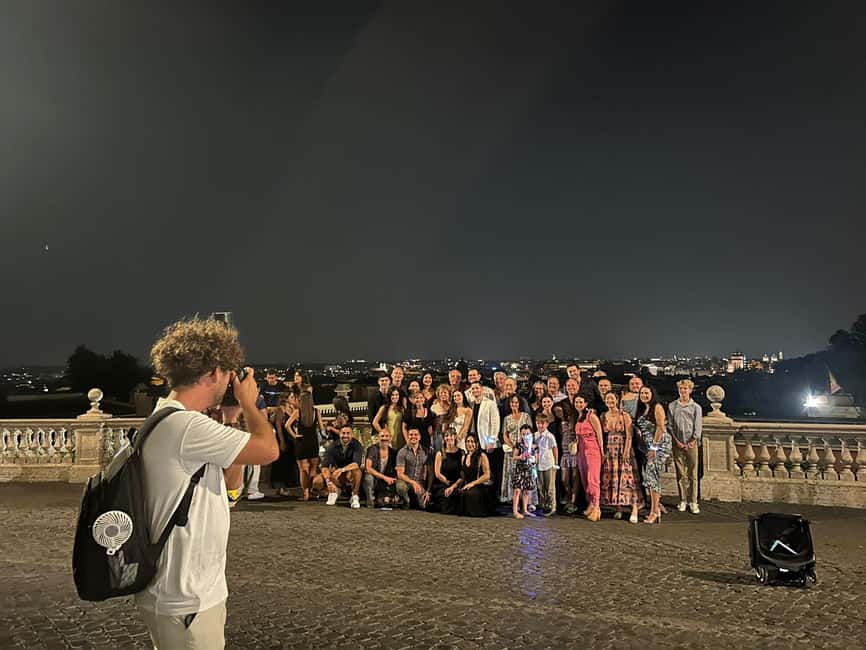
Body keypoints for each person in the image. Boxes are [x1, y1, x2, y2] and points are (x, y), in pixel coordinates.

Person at [139, 318, 278, 648]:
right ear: (216, 372)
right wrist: (249, 403)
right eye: (229, 373)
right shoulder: (186, 427)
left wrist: (230, 423)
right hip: (187, 597)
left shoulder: (171, 418)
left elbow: (229, 491)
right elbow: (269, 449)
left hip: (184, 593)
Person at [600, 392, 643, 523]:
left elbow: (629, 435)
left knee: (628, 478)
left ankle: (634, 507)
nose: (610, 401)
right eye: (608, 399)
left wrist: (626, 451)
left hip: (622, 447)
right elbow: (603, 435)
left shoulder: (624, 415)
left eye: (612, 398)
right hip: (610, 448)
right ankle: (617, 507)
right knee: (613, 477)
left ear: (617, 400)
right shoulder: (603, 416)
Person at [635, 386, 671, 524]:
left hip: (658, 445)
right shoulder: (643, 408)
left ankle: (654, 511)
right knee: (651, 476)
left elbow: (660, 428)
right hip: (648, 446)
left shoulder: (657, 407)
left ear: (652, 394)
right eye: (642, 393)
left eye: (646, 393)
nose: (644, 395)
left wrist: (654, 447)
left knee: (652, 476)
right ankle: (656, 508)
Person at [668, 379, 703, 514]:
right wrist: (677, 441)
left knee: (693, 474)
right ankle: (683, 499)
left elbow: (698, 425)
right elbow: (670, 425)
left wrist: (693, 440)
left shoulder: (696, 407)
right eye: (681, 388)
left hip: (692, 443)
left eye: (685, 388)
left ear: (690, 390)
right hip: (677, 443)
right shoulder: (672, 406)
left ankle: (693, 501)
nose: (683, 391)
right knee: (680, 473)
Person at [467, 381, 502, 500]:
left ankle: (493, 496)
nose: (475, 390)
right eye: (473, 389)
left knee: (490, 471)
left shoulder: (490, 403)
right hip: (475, 442)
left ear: (481, 390)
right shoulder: (471, 404)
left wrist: (491, 441)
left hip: (487, 442)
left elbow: (495, 423)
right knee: (479, 470)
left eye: (477, 388)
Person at [287, 390, 323, 501]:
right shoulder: (316, 411)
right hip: (313, 442)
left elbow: (287, 425)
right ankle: (313, 490)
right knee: (313, 468)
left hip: (301, 442)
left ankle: (305, 493)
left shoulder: (298, 412)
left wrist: (294, 435)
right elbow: (322, 428)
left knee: (302, 469)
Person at [316, 424, 363, 508]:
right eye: (343, 433)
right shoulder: (332, 446)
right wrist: (328, 482)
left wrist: (342, 470)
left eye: (348, 433)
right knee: (317, 481)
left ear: (352, 435)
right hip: (335, 475)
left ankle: (354, 496)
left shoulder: (357, 445)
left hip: (348, 473)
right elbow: (324, 466)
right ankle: (334, 492)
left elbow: (356, 464)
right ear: (339, 434)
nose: (345, 435)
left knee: (357, 472)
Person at [574, 395, 604, 521]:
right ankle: (591, 503)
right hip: (581, 451)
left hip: (592, 450)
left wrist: (602, 452)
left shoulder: (592, 416)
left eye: (581, 402)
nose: (579, 404)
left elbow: (599, 434)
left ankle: (597, 507)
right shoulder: (579, 418)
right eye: (576, 402)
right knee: (585, 479)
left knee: (593, 480)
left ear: (586, 403)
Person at [500, 394, 533, 503]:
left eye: (516, 402)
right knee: (512, 475)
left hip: (524, 450)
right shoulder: (507, 418)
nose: (514, 404)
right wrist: (512, 446)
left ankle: (526, 501)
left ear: (520, 404)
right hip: (511, 451)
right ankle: (512, 500)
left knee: (525, 475)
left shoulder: (525, 416)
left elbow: (530, 432)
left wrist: (524, 446)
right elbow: (505, 434)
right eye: (512, 402)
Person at [430, 427, 464, 514]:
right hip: (443, 483)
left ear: (455, 437)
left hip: (457, 483)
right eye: (446, 436)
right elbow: (437, 474)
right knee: (447, 495)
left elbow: (463, 474)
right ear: (444, 438)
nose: (449, 438)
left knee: (457, 494)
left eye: (451, 435)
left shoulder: (461, 453)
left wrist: (454, 485)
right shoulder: (440, 453)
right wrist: (448, 483)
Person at [271, 391, 299, 497]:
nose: (293, 398)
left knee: (290, 462)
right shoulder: (280, 410)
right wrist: (282, 441)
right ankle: (281, 487)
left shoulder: (293, 409)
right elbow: (278, 427)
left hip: (292, 439)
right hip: (283, 437)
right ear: (286, 398)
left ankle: (287, 486)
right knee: (281, 462)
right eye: (291, 397)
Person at [395, 427, 432, 509]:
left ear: (419, 437)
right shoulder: (402, 452)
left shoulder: (425, 452)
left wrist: (427, 491)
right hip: (405, 481)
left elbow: (430, 474)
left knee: (423, 506)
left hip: (419, 482)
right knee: (401, 488)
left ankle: (414, 500)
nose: (413, 437)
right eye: (411, 435)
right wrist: (412, 482)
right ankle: (405, 500)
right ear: (407, 436)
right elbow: (400, 474)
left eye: (416, 435)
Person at [459, 433, 493, 517]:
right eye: (468, 441)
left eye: (472, 441)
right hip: (467, 484)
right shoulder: (463, 457)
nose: (470, 444)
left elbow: (487, 475)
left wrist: (473, 483)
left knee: (471, 494)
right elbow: (462, 476)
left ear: (476, 444)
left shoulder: (482, 456)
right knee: (460, 492)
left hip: (479, 485)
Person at [363, 428, 398, 507]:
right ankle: (370, 501)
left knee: (383, 502)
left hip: (386, 483)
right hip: (375, 479)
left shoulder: (393, 452)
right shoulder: (372, 449)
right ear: (378, 438)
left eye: (386, 436)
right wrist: (384, 477)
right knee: (368, 477)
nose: (384, 438)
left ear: (390, 438)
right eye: (382, 436)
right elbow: (368, 468)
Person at [534, 413, 558, 516]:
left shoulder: (550, 436)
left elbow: (554, 448)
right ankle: (542, 505)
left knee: (550, 487)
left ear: (547, 424)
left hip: (548, 463)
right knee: (540, 485)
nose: (540, 425)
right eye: (538, 423)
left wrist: (556, 463)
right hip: (539, 463)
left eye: (542, 423)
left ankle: (551, 506)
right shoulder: (534, 435)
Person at [511, 424, 537, 519]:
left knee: (526, 491)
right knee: (517, 490)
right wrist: (521, 457)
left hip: (529, 470)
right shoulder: (519, 445)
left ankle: (525, 509)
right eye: (523, 434)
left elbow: (536, 460)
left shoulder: (534, 446)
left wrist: (532, 458)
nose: (525, 436)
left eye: (527, 434)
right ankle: (515, 511)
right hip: (520, 469)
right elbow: (514, 457)